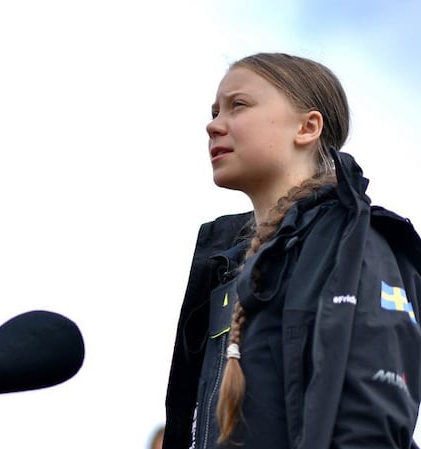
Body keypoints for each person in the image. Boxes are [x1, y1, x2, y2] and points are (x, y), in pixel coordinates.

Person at [163, 52, 421, 449]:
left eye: (239, 105)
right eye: (215, 111)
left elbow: (372, 426)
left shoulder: (356, 242)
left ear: (307, 127)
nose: (213, 125)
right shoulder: (225, 269)